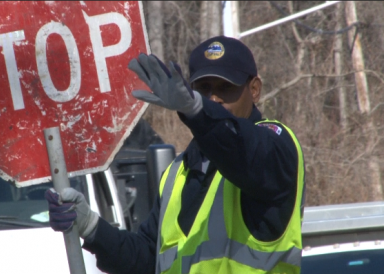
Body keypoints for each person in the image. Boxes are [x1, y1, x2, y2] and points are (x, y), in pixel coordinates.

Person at [45, 36, 305, 274]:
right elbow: (146, 259)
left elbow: (242, 149)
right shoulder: (176, 173)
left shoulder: (274, 144)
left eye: (225, 88)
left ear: (255, 89)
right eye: (202, 88)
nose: (213, 98)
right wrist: (91, 227)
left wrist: (198, 110)